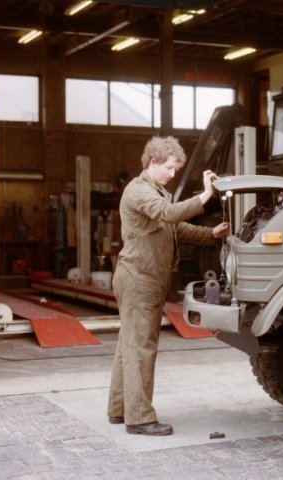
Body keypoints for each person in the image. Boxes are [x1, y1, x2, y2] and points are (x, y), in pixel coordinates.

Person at [107, 135, 230, 436]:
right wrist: (206, 195)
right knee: (141, 348)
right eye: (170, 168)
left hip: (145, 278)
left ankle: (120, 409)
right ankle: (139, 418)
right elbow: (170, 214)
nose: (173, 174)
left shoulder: (156, 191)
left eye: (176, 169)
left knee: (129, 346)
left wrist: (211, 234)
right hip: (139, 279)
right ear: (153, 161)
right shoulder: (139, 191)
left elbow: (174, 227)